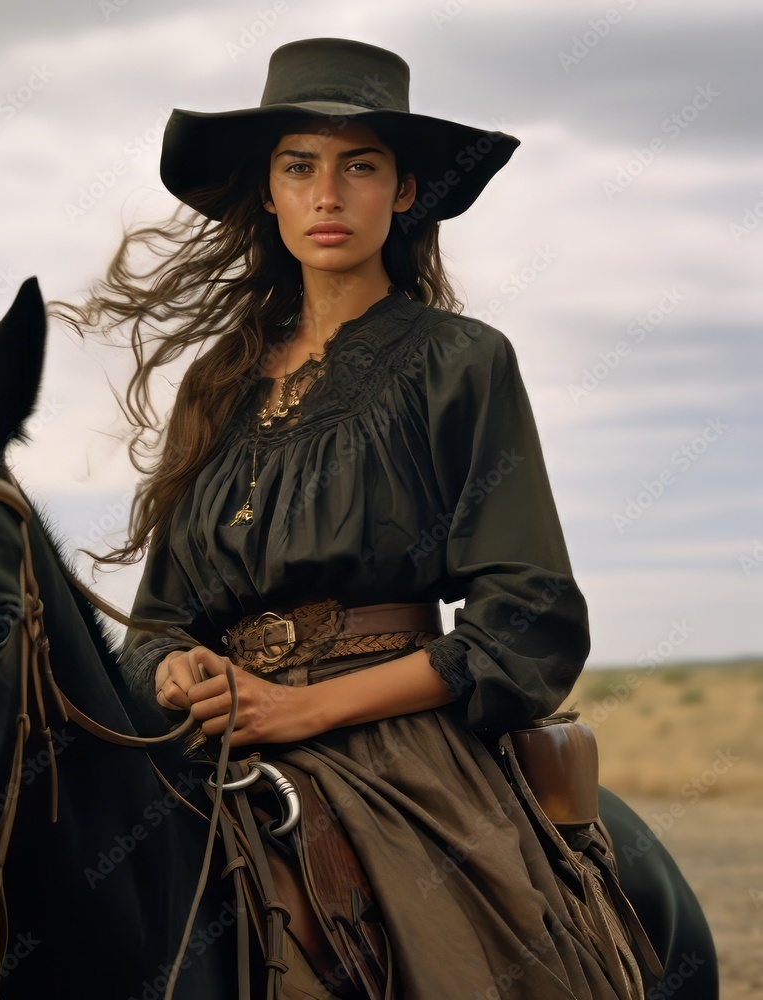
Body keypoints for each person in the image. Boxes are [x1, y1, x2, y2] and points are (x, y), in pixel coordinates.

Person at [75, 37, 649, 1000]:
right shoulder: (214, 387)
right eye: (299, 167)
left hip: (395, 744)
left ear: (405, 190)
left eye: (360, 166)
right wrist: (175, 669)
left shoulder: (462, 362)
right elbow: (158, 619)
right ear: (268, 192)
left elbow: (529, 618)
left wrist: (301, 707)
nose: (327, 195)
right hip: (218, 736)